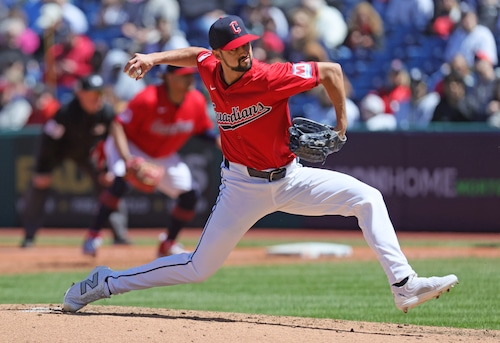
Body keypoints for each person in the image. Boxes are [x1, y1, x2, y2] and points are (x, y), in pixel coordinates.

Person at [63, 15, 458, 314]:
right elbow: (193, 55)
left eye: (247, 43)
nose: (245, 51)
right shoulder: (210, 69)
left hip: (290, 178)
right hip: (241, 188)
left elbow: (332, 72)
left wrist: (340, 123)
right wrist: (153, 57)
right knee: (199, 268)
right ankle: (106, 282)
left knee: (367, 198)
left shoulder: (270, 76)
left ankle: (404, 285)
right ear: (219, 54)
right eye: (236, 47)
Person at [82, 64, 217, 257]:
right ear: (169, 78)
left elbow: (202, 130)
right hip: (132, 145)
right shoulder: (148, 98)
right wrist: (128, 159)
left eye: (191, 75)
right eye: (183, 75)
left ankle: (168, 243)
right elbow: (118, 125)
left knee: (190, 195)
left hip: (163, 154)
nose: (189, 80)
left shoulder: (195, 100)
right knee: (120, 182)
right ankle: (92, 236)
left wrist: (216, 140)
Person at [20, 74, 130, 248]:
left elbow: (112, 143)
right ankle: (29, 236)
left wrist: (108, 168)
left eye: (99, 93)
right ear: (81, 95)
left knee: (109, 185)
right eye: (92, 94)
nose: (97, 98)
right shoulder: (65, 113)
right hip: (58, 152)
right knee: (39, 184)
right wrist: (43, 169)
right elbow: (48, 141)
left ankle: (120, 234)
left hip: (87, 154)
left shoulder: (106, 112)